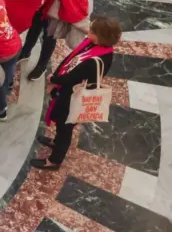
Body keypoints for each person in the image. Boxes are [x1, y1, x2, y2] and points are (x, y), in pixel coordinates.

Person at [33, 17, 121, 170]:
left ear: (102, 37)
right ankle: (56, 141)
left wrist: (53, 79)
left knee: (65, 127)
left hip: (73, 99)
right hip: (69, 93)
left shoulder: (95, 60)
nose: (88, 32)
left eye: (92, 31)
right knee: (62, 126)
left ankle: (54, 160)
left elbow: (72, 78)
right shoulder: (97, 46)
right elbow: (71, 60)